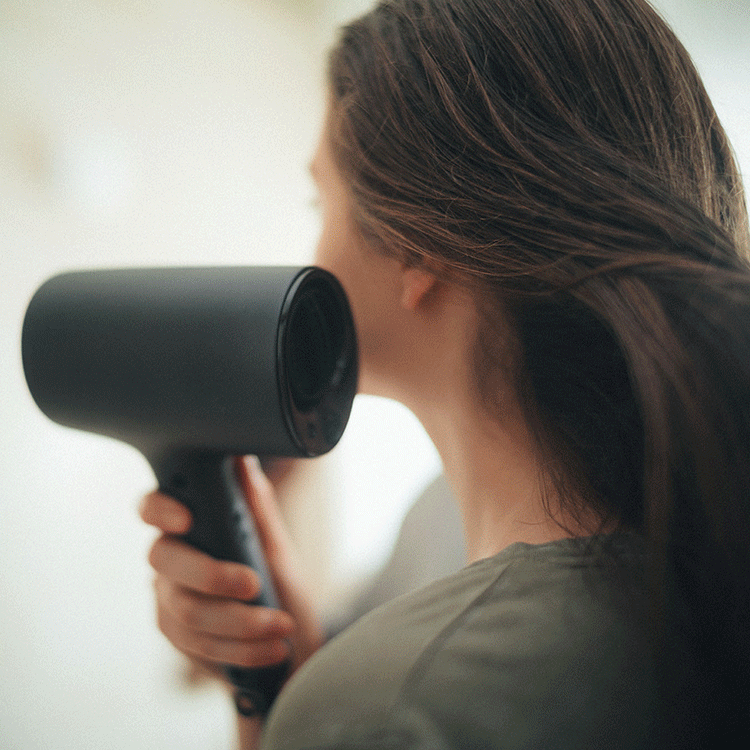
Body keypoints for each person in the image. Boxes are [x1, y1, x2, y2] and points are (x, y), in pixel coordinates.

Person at [139, 1, 750, 747]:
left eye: (319, 199)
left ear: (415, 246)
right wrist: (294, 678)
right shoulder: (452, 523)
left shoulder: (398, 707)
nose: (312, 252)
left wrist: (324, 709)